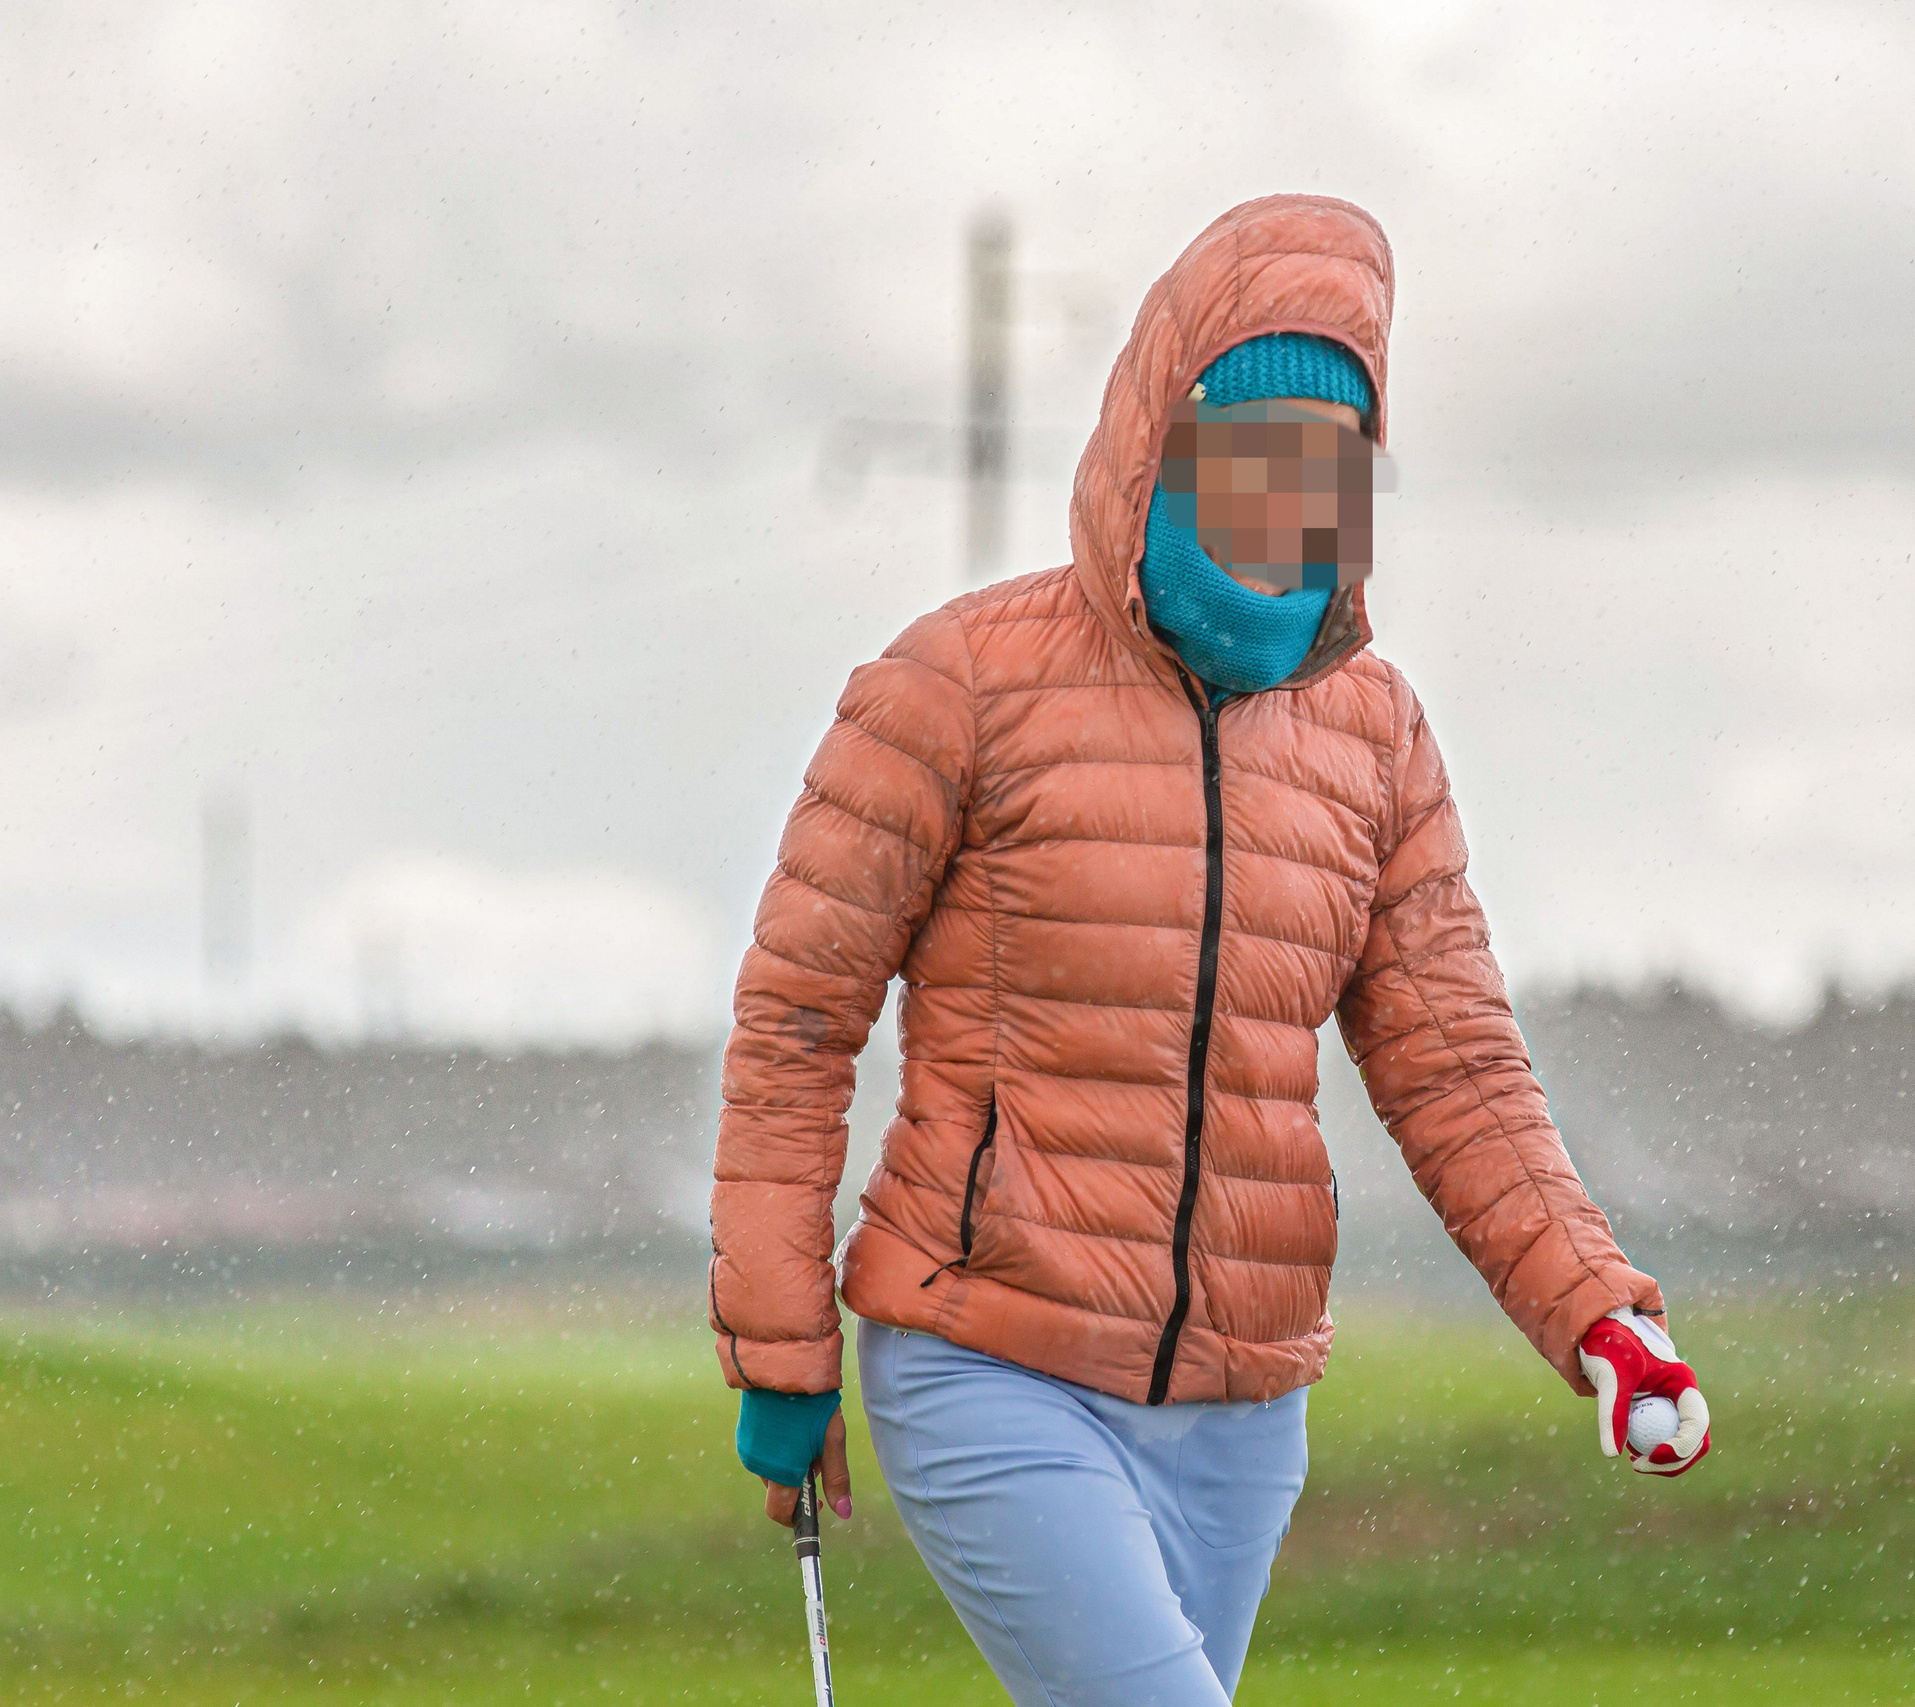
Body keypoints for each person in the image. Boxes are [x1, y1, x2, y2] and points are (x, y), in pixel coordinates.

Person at [708, 192, 1708, 1707]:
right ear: (1153, 446)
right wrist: (784, 1343)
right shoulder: (955, 685)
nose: (1281, 504)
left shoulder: (1375, 740)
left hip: (1244, 1412)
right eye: (1246, 454)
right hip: (992, 1362)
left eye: (1326, 465)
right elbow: (798, 1023)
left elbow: (1455, 1067)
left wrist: (1598, 1312)